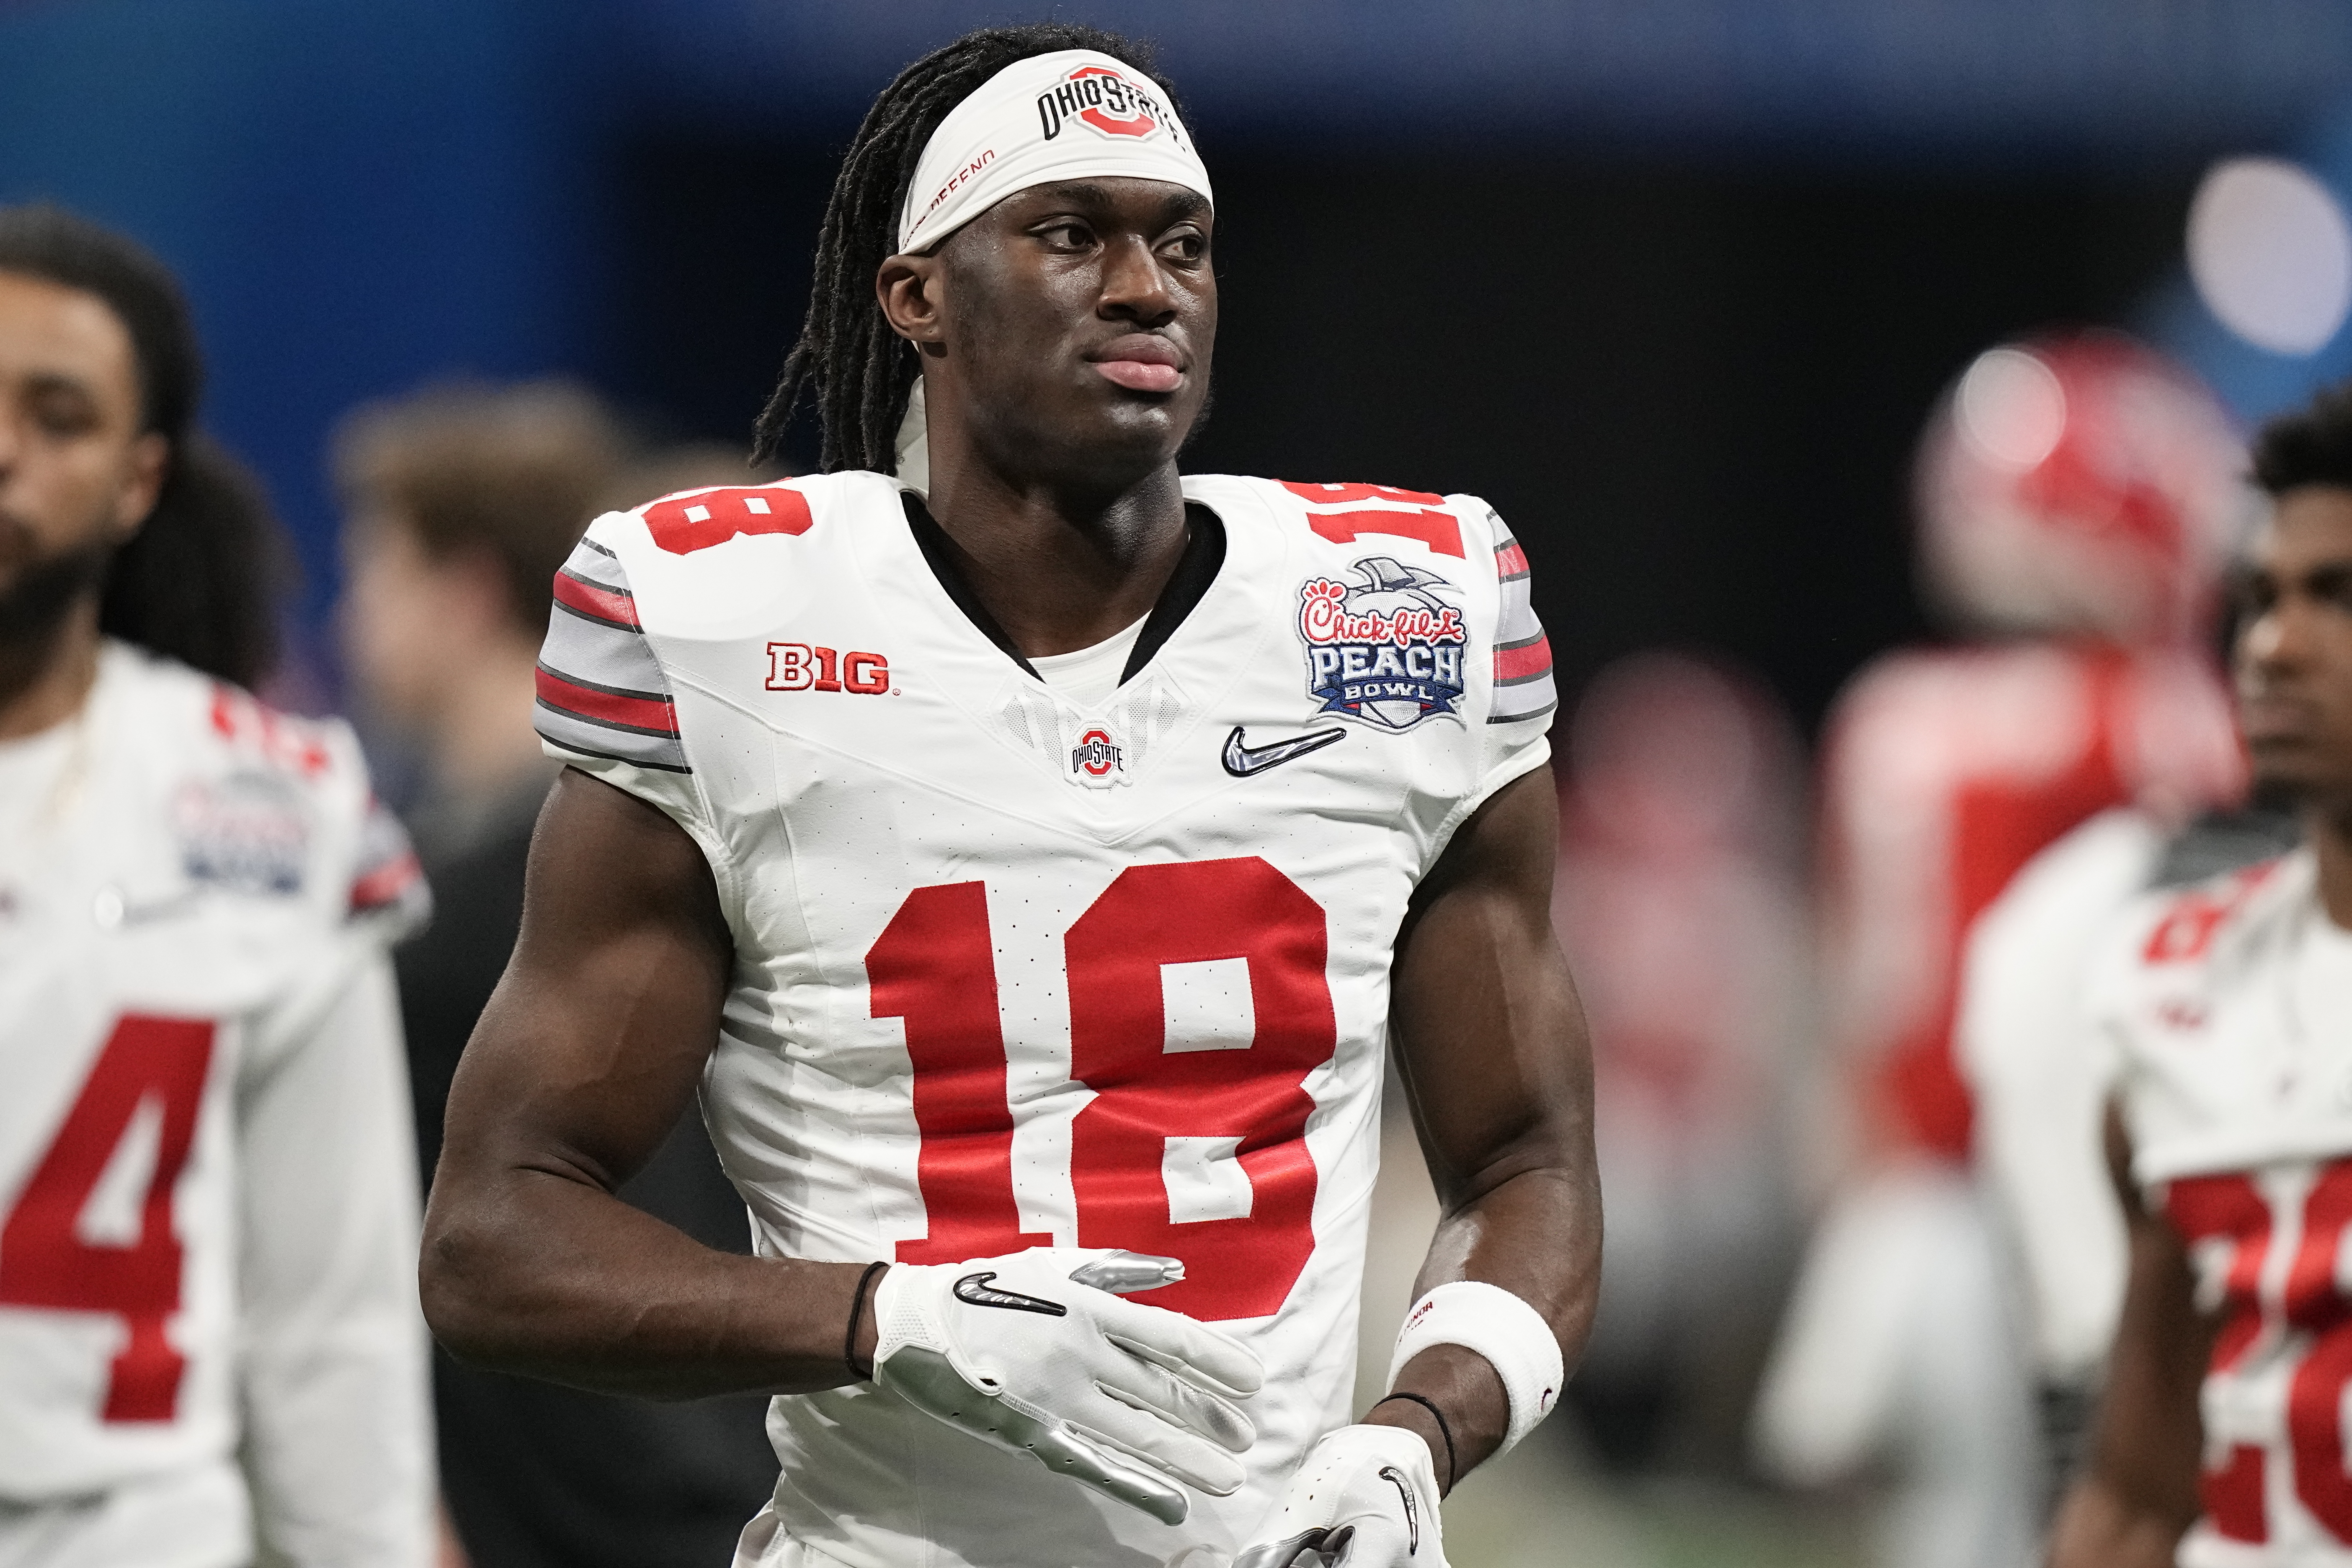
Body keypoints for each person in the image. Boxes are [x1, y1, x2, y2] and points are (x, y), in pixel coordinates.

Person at [416, 23, 1601, 1568]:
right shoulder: (731, 631)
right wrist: (887, 1316)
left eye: (1182, 242)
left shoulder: (1396, 610)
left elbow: (1531, 1162)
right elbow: (497, 1237)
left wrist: (1418, 1434)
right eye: (1069, 233)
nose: (1144, 286)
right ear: (917, 297)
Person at [1753, 333, 2247, 1568]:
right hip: (2077, 1228)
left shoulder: (1895, 722)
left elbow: (1848, 1026)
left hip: (1906, 1214)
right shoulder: (2156, 727)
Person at [0, 204, 433, 1565]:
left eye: (56, 415)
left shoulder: (271, 800)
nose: (0, 450)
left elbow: (334, 1304)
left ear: (139, 481)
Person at [335, 385, 779, 1568]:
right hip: (678, 1461)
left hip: (603, 1492)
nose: (349, 610)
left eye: (373, 568)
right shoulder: (615, 840)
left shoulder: (488, 886)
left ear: (465, 588)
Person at [2050, 382, 2352, 1565]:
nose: (2274, 644)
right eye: (2263, 597)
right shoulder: (2171, 982)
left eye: (2340, 597)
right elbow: (2136, 1488)